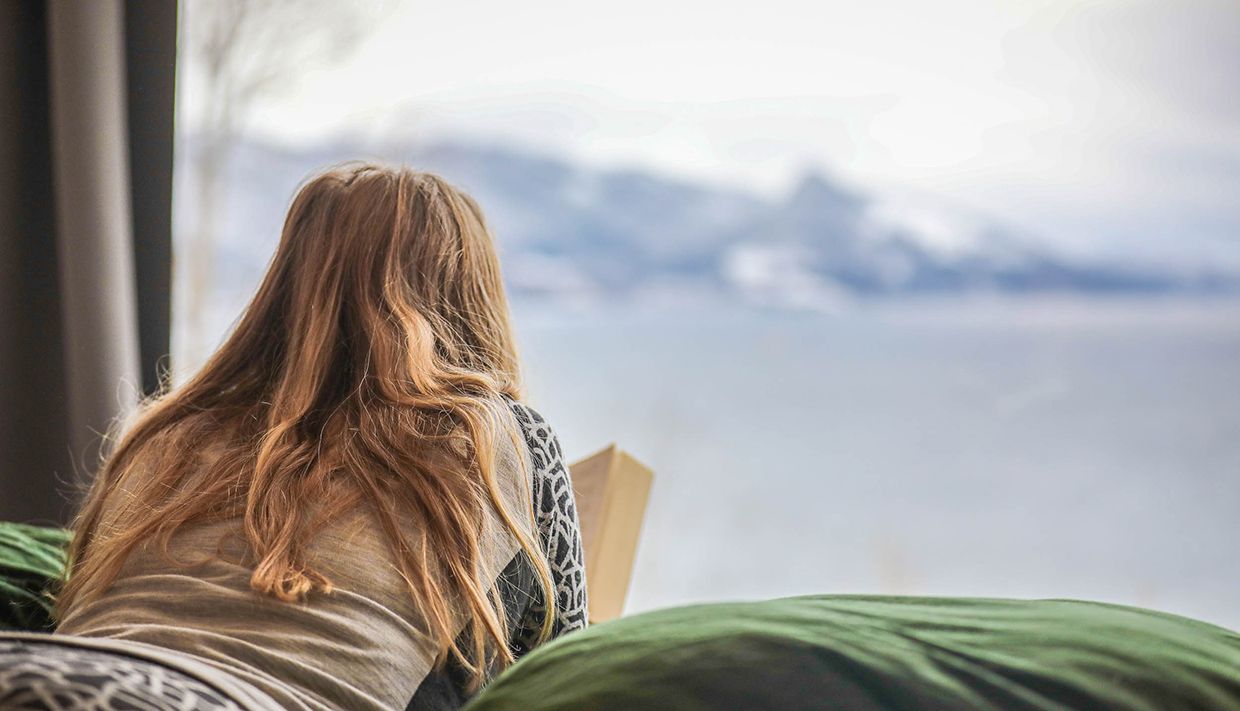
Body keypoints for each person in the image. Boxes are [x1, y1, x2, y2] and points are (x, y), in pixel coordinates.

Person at [0, 163, 588, 710]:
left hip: (36, 672)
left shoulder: (165, 429)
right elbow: (561, 671)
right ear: (470, 293)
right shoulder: (494, 438)